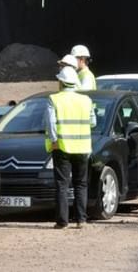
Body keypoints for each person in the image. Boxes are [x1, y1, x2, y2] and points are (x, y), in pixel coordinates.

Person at [44, 66, 96, 229]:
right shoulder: (86, 100)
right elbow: (93, 122)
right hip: (82, 147)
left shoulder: (54, 99)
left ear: (61, 82)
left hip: (62, 147)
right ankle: (81, 220)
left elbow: (50, 122)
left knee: (62, 184)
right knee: (81, 184)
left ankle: (62, 221)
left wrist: (53, 139)